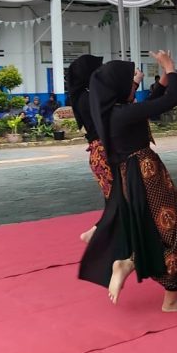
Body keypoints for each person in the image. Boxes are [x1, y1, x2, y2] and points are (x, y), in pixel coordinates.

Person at [80, 50, 177, 312]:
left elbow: (149, 104)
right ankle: (166, 295)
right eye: (130, 82)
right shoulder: (121, 114)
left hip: (138, 175)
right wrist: (170, 67)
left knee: (160, 229)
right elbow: (171, 100)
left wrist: (161, 81)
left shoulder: (114, 112)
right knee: (176, 232)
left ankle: (131, 262)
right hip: (146, 175)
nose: (134, 85)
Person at [67, 54, 109, 245]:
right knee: (118, 199)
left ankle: (98, 233)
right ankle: (98, 234)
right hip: (105, 153)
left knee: (115, 199)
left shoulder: (84, 96)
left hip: (99, 153)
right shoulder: (90, 98)